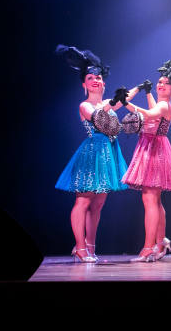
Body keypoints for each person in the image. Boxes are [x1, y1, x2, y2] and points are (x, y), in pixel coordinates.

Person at [55, 45, 135, 263]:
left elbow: (123, 99)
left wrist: (139, 88)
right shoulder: (85, 105)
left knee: (98, 204)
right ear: (84, 85)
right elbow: (98, 117)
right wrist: (113, 103)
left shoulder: (107, 103)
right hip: (92, 154)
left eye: (98, 77)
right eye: (90, 78)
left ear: (103, 82)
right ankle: (80, 248)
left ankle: (90, 246)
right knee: (83, 201)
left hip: (108, 155)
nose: (94, 80)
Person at [120, 55, 171, 262]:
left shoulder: (165, 105)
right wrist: (148, 92)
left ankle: (148, 248)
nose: (161, 85)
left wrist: (126, 103)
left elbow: (148, 115)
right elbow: (152, 110)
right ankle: (160, 242)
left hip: (155, 150)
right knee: (155, 200)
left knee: (149, 199)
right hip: (152, 147)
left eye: (166, 84)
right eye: (160, 82)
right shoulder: (161, 104)